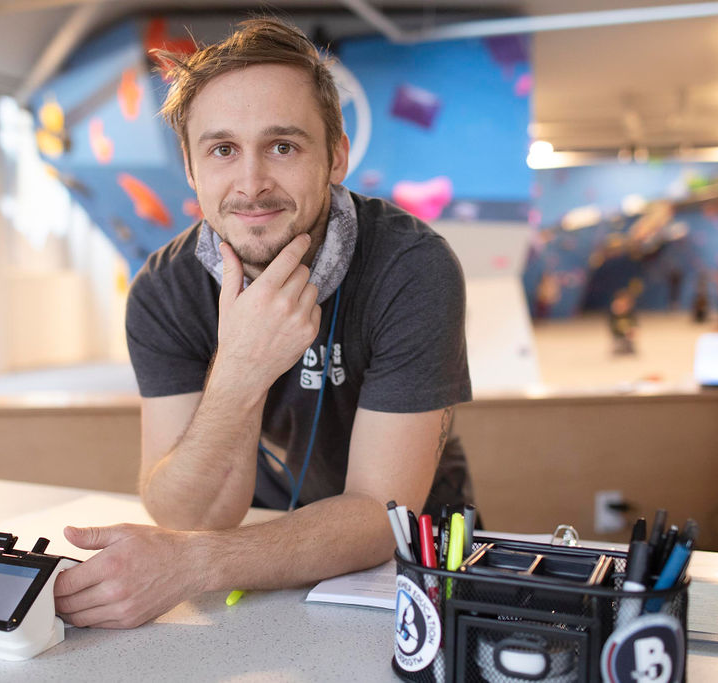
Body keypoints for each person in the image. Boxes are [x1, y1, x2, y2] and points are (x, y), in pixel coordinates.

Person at [52, 18, 473, 629]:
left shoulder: (413, 267)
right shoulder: (162, 291)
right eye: (223, 150)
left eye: (283, 146)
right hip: (256, 546)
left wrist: (194, 564)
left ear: (336, 155)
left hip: (415, 564)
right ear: (192, 172)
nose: (251, 184)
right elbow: (185, 512)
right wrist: (241, 369)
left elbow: (379, 516)